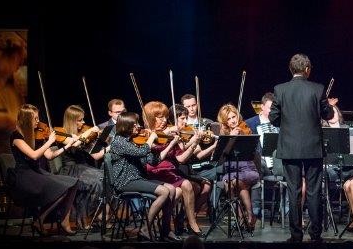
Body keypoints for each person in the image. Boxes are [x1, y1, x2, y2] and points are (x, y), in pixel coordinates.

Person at [269, 53, 336, 242]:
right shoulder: (318, 89)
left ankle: (296, 235)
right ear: (307, 69)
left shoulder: (280, 89)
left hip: (289, 148)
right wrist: (329, 106)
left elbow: (273, 118)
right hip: (313, 148)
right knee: (314, 191)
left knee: (294, 191)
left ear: (291, 70)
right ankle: (315, 234)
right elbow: (329, 115)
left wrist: (287, 124)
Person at [8, 104, 79, 236]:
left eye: (38, 118)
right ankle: (40, 220)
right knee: (61, 188)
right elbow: (34, 155)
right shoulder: (16, 136)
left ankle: (64, 221)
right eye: (35, 118)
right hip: (24, 176)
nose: (38, 121)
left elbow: (50, 156)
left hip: (37, 173)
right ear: (26, 120)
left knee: (73, 183)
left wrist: (67, 145)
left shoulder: (36, 135)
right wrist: (49, 141)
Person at [142, 101, 206, 238]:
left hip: (169, 172)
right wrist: (165, 136)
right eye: (160, 117)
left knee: (182, 189)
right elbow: (148, 153)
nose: (165, 120)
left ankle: (184, 224)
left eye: (165, 117)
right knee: (183, 187)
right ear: (151, 118)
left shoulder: (171, 133)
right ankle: (161, 227)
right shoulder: (147, 134)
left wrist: (194, 143)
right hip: (153, 172)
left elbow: (181, 159)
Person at [108, 112, 175, 241]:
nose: (138, 126)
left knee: (171, 189)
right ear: (126, 125)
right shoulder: (118, 141)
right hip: (125, 181)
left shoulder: (135, 140)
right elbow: (141, 152)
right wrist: (151, 139)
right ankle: (145, 228)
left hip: (137, 178)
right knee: (164, 191)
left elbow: (153, 161)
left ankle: (165, 230)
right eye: (135, 124)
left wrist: (162, 146)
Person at [46, 105, 104, 230]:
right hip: (71, 170)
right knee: (97, 182)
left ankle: (89, 215)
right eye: (80, 120)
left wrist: (98, 139)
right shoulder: (63, 134)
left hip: (84, 168)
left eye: (83, 119)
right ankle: (85, 217)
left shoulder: (82, 133)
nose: (83, 122)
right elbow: (75, 143)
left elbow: (95, 155)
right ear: (72, 120)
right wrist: (90, 131)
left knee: (105, 177)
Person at [216, 103, 260, 233]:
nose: (232, 121)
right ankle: (242, 216)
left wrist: (240, 136)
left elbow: (251, 151)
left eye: (233, 117)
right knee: (230, 183)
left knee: (236, 182)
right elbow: (223, 155)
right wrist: (231, 138)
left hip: (248, 169)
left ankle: (248, 215)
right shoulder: (223, 134)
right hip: (231, 171)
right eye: (228, 119)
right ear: (225, 122)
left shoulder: (245, 129)